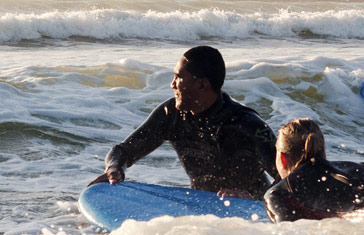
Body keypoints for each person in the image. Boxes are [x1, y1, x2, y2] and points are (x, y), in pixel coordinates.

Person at [88, 46, 279, 199]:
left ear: (202, 84)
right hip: (202, 206)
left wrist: (250, 197)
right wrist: (114, 168)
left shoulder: (247, 125)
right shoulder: (171, 115)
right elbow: (124, 151)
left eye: (178, 77)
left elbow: (288, 178)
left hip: (252, 214)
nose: (172, 85)